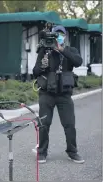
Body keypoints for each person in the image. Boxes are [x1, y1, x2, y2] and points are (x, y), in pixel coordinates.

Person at [32, 25, 85, 164]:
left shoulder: (70, 50)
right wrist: (42, 65)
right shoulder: (44, 50)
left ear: (65, 36)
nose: (58, 37)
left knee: (69, 124)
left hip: (64, 95)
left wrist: (61, 49)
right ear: (52, 35)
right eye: (56, 34)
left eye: (61, 34)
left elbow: (78, 62)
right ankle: (42, 152)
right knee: (44, 123)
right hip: (46, 93)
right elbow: (35, 71)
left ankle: (72, 152)